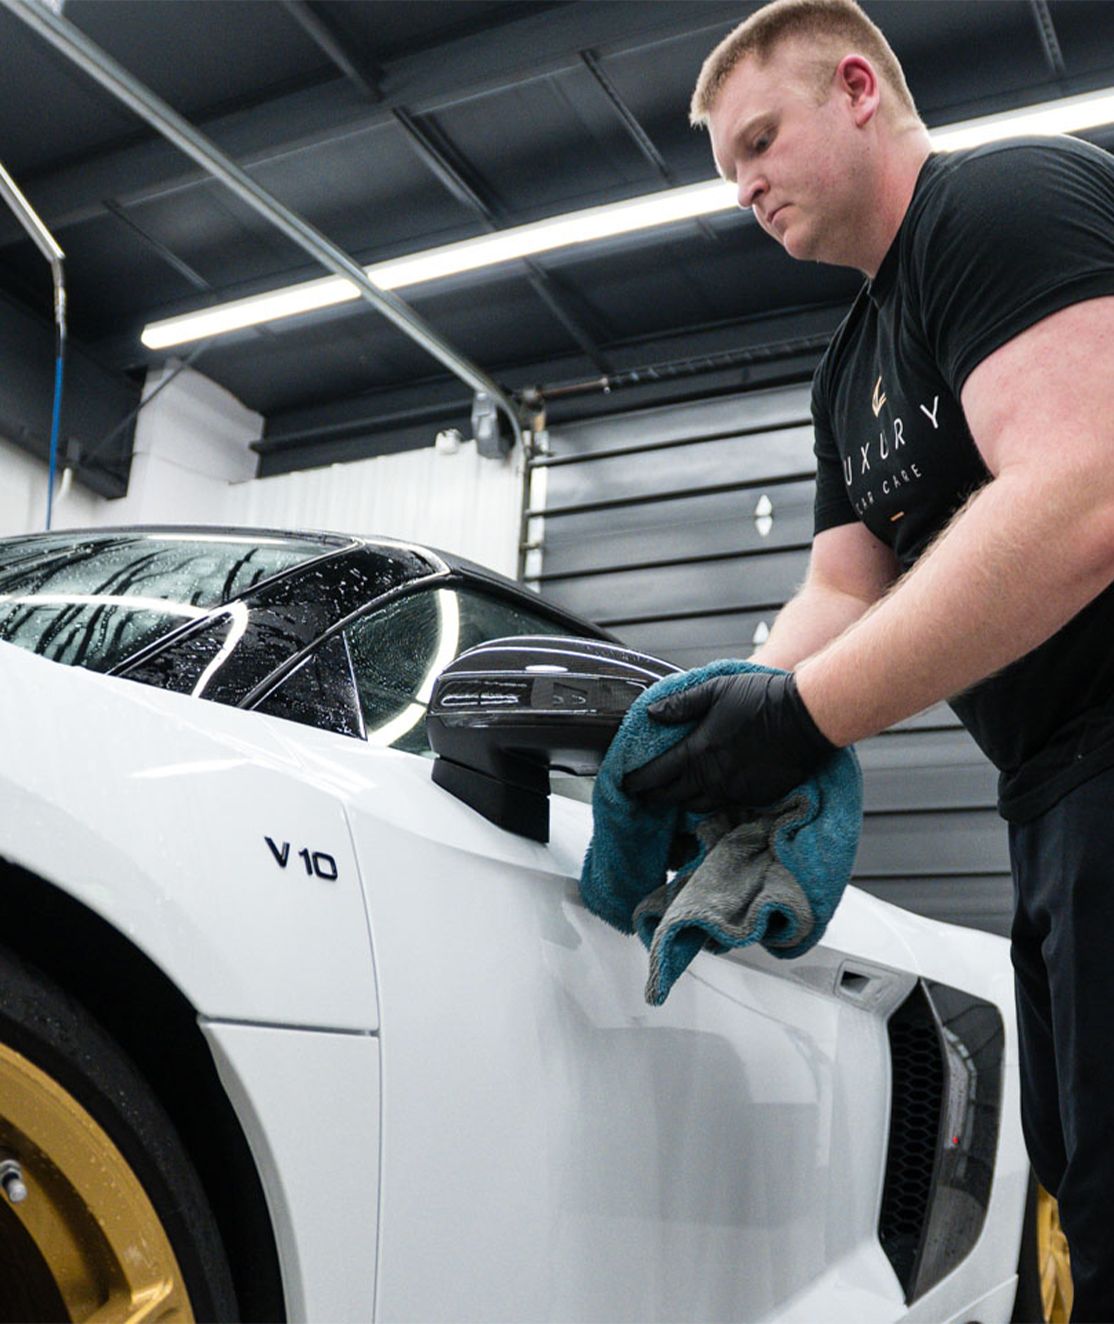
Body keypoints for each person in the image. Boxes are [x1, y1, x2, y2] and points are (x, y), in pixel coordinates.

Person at [622, 0, 1114, 1316]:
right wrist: (703, 731)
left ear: (855, 88)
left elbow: (1086, 491)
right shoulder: (846, 374)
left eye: (759, 140)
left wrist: (805, 717)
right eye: (725, 167)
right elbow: (838, 588)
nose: (742, 186)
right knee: (1080, 1175)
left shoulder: (1000, 204)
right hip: (1052, 790)